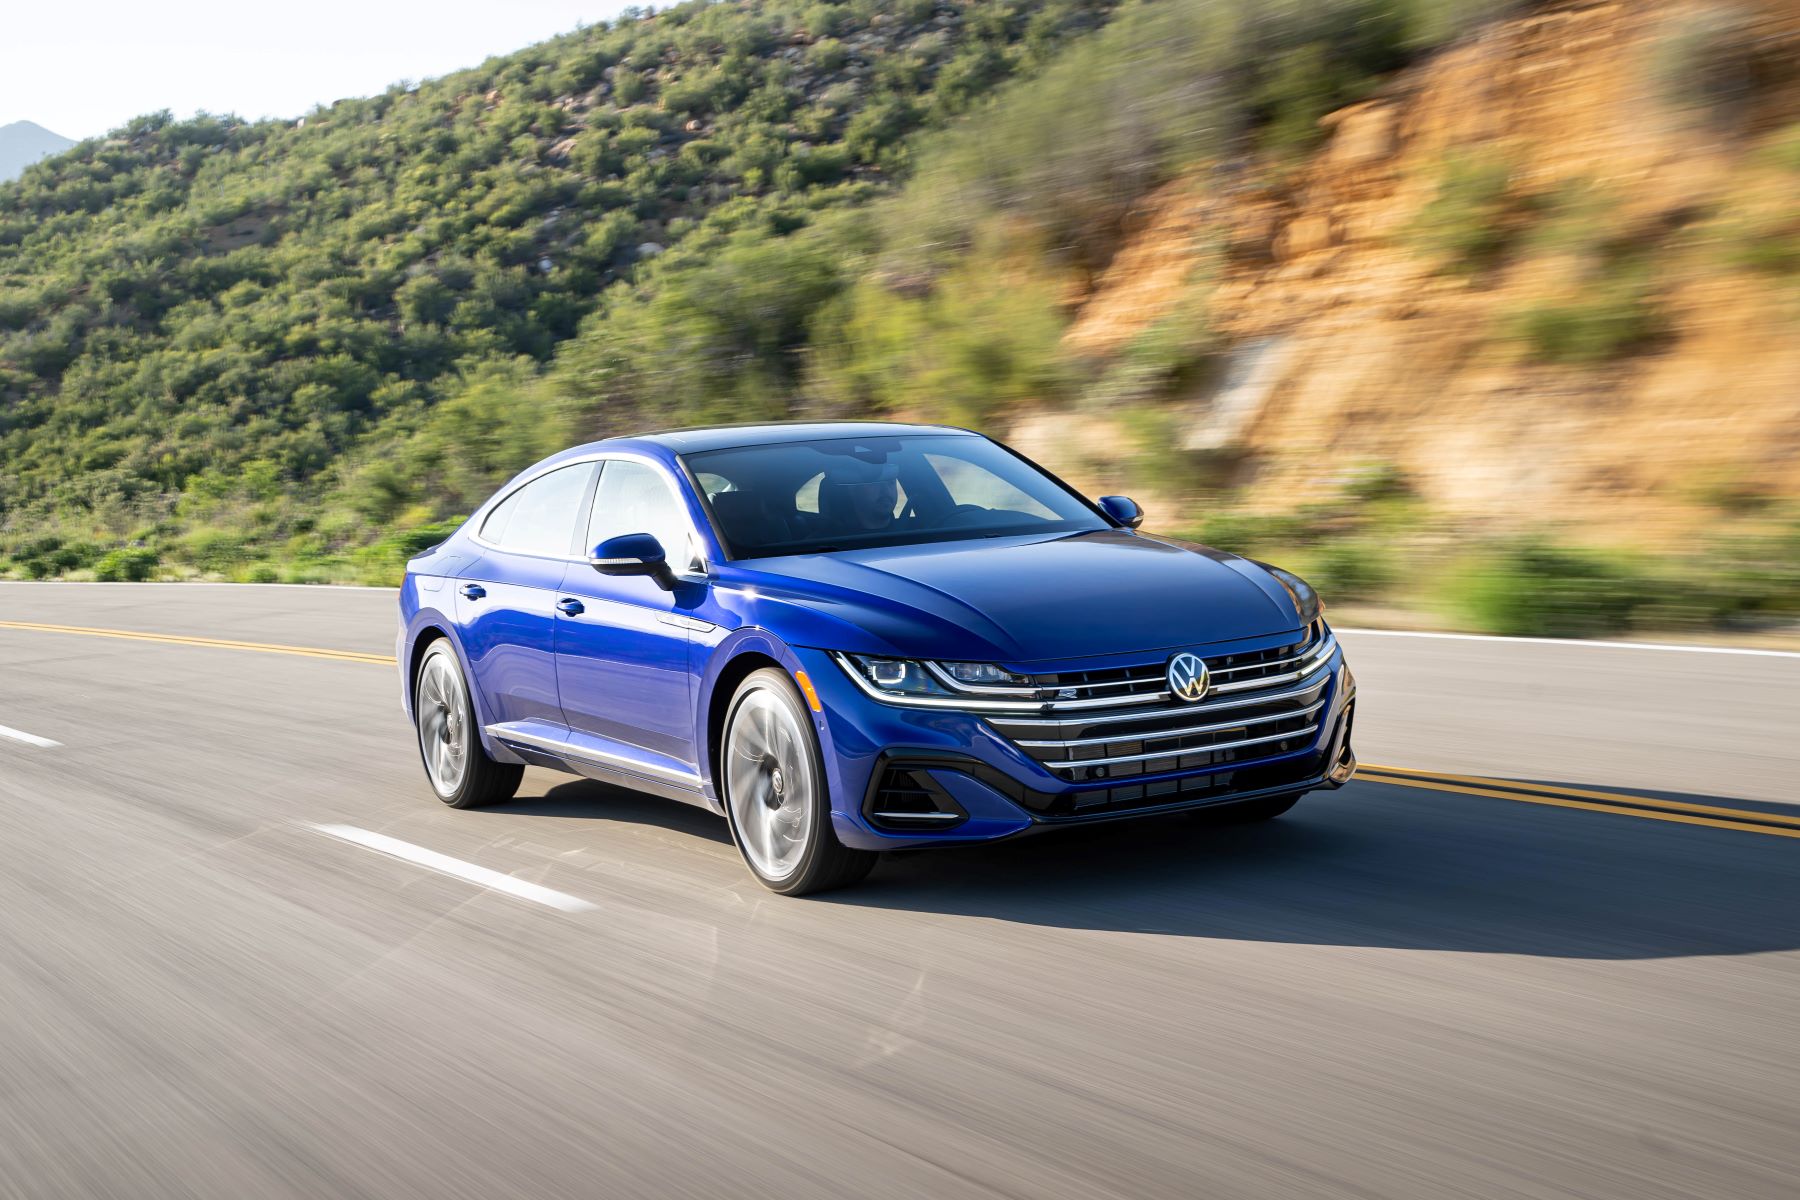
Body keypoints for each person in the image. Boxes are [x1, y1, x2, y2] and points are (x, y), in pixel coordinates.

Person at [816, 456, 901, 535]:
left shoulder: (911, 533)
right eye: (875, 483)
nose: (885, 490)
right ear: (852, 490)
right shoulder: (825, 545)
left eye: (891, 482)